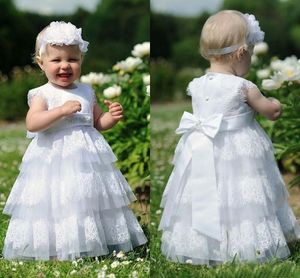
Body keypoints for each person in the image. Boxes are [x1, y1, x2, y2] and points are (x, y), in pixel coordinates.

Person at [159, 10, 300, 265]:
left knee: (209, 192)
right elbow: (271, 112)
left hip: (203, 147)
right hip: (239, 149)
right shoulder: (244, 87)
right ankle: (247, 244)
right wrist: (276, 102)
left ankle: (205, 244)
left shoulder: (196, 84)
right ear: (240, 53)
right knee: (243, 195)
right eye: (251, 56)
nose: (250, 62)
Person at [3, 21, 147, 260]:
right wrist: (60, 111)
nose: (65, 66)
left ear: (81, 60)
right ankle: (56, 241)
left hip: (86, 158)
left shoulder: (87, 91)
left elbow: (97, 122)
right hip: (53, 157)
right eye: (56, 60)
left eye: (72, 59)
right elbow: (33, 123)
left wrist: (111, 117)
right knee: (56, 198)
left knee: (85, 198)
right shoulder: (43, 94)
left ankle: (90, 239)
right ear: (41, 63)